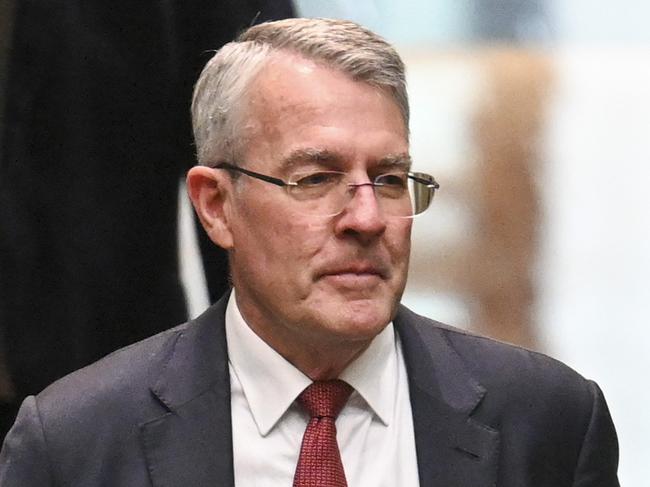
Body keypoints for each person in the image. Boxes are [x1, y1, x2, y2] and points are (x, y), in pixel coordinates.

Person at [0, 18, 619, 486]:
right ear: (216, 205)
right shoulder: (75, 445)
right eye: (316, 179)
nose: (369, 219)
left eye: (389, 178)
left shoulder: (549, 424)